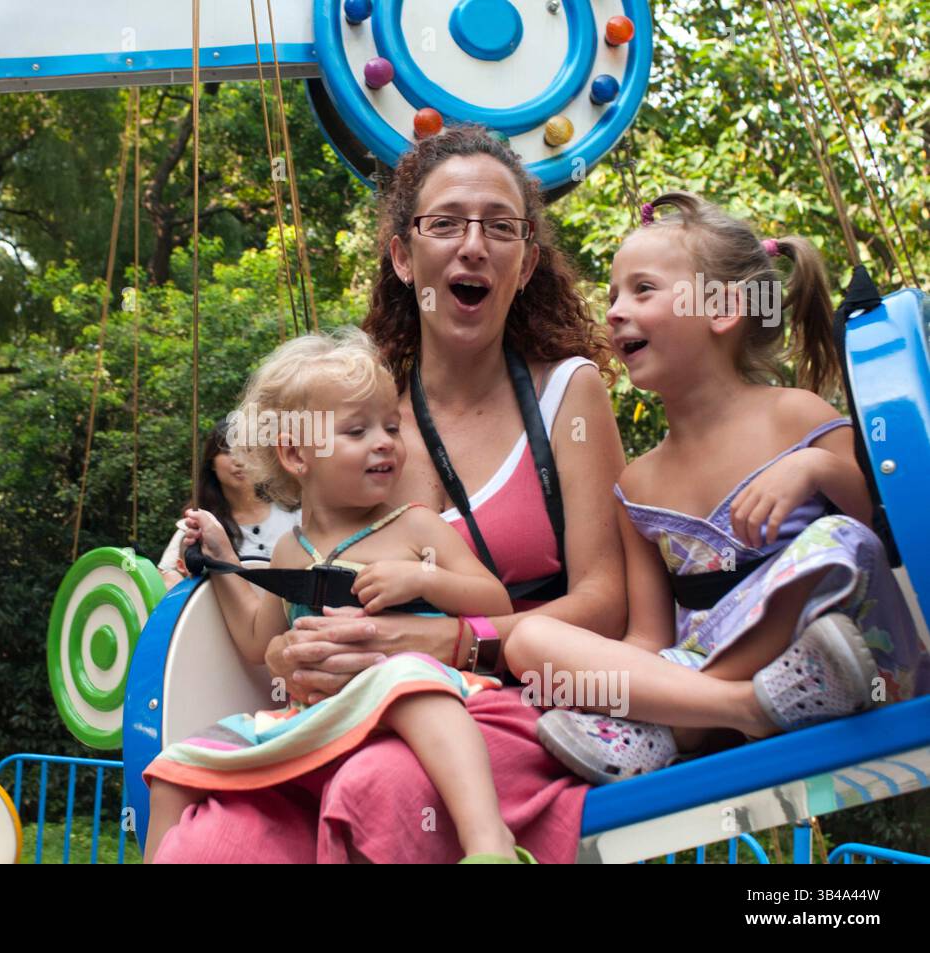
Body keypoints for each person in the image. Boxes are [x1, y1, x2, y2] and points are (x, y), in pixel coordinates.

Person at [153, 123, 628, 864]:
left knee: (379, 791)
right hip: (337, 717)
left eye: (500, 227)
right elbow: (289, 596)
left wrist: (453, 638)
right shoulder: (362, 431)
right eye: (445, 223)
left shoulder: (568, 395)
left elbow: (607, 599)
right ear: (403, 256)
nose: (473, 245)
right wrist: (218, 576)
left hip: (502, 709)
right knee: (211, 839)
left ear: (527, 260)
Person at [502, 192, 930, 784]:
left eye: (643, 290)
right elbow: (648, 637)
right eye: (614, 296)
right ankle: (739, 705)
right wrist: (623, 679)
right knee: (532, 640)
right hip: (710, 676)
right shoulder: (638, 483)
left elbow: (894, 536)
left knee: (839, 538)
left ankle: (666, 723)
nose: (617, 311)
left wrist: (815, 469)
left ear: (724, 309)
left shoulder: (795, 416)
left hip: (856, 658)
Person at [144, 328, 533, 864]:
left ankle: (489, 845)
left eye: (391, 427)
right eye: (358, 430)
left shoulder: (414, 527)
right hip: (325, 713)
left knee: (403, 677)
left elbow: (495, 600)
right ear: (296, 455)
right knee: (175, 765)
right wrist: (225, 563)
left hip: (412, 692)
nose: (385, 442)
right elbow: (259, 643)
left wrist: (423, 580)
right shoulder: (290, 549)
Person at [156, 419, 299, 589]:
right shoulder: (199, 524)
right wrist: (173, 578)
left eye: (248, 450)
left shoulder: (296, 515)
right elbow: (164, 577)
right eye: (228, 450)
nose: (239, 460)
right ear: (212, 463)